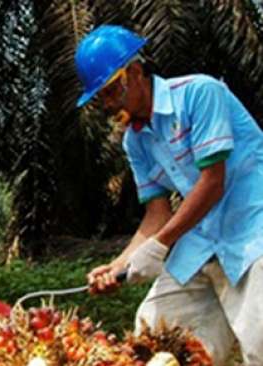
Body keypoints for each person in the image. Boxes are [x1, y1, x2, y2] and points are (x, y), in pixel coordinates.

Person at [75, 25, 263, 364]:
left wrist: (159, 245)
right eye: (100, 98)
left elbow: (212, 183)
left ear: (134, 73)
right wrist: (118, 265)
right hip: (202, 244)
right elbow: (156, 214)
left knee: (260, 342)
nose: (106, 104)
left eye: (110, 91)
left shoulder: (199, 93)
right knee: (153, 337)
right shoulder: (136, 141)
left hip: (252, 232)